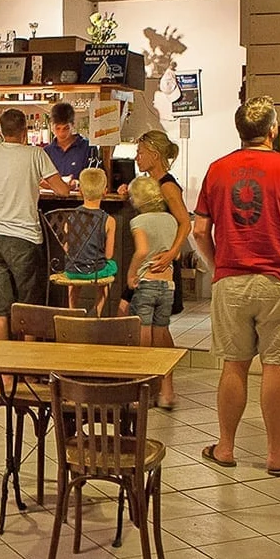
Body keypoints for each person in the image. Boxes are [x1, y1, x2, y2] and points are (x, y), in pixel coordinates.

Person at [192, 97, 280, 477]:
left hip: (231, 280)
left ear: (240, 131)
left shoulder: (217, 170)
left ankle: (226, 447)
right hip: (279, 280)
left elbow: (199, 230)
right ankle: (276, 454)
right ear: (273, 130)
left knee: (234, 364)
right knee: (276, 366)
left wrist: (219, 266)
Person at [0, 108, 70, 342]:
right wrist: (37, 181)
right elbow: (63, 190)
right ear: (25, 131)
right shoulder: (35, 154)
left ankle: (3, 375)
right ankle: (25, 371)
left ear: (2, 131)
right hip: (24, 239)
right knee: (28, 310)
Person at [119, 129, 193, 315]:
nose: (137, 158)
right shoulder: (148, 183)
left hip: (160, 263)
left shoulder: (167, 186)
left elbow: (185, 222)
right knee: (147, 322)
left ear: (155, 155)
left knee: (144, 319)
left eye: (140, 153)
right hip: (148, 263)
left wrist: (172, 253)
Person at [127, 176, 180, 408]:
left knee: (143, 339)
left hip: (147, 283)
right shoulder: (170, 220)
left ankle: (143, 391)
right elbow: (175, 254)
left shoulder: (139, 221)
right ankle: (166, 392)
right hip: (168, 286)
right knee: (161, 337)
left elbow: (142, 250)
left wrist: (131, 274)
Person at [60, 167, 117, 311]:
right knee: (111, 267)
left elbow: (66, 249)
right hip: (96, 270)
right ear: (104, 191)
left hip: (72, 271)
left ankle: (73, 309)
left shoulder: (71, 218)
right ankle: (96, 311)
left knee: (74, 272)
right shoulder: (109, 220)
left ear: (80, 191)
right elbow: (109, 255)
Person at [43, 101, 94, 181]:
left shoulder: (88, 148)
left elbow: (94, 179)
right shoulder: (47, 152)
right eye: (58, 128)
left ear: (73, 125)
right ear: (52, 127)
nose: (61, 133)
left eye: (66, 128)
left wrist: (78, 183)